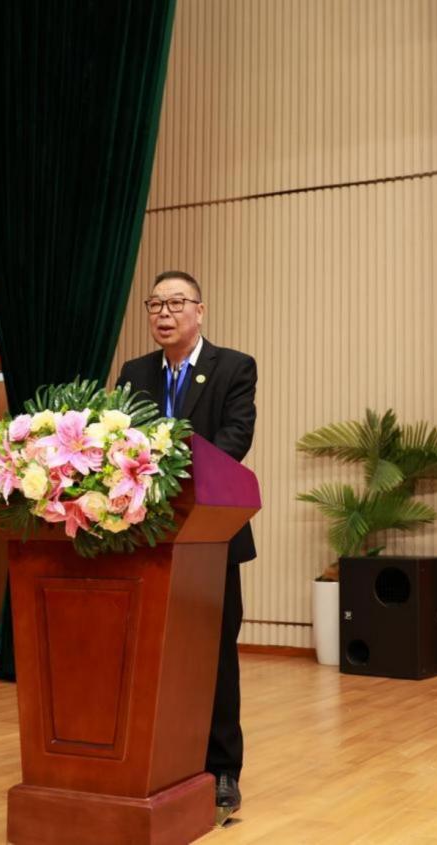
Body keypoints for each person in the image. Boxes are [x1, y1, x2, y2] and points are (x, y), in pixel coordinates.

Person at [116, 270, 257, 819]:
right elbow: (120, 441)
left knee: (214, 654)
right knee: (151, 653)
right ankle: (159, 762)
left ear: (200, 311)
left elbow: (234, 440)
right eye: (155, 305)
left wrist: (167, 473)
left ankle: (222, 771)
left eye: (176, 303)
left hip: (210, 536)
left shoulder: (234, 367)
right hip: (146, 536)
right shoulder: (135, 373)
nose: (164, 314)